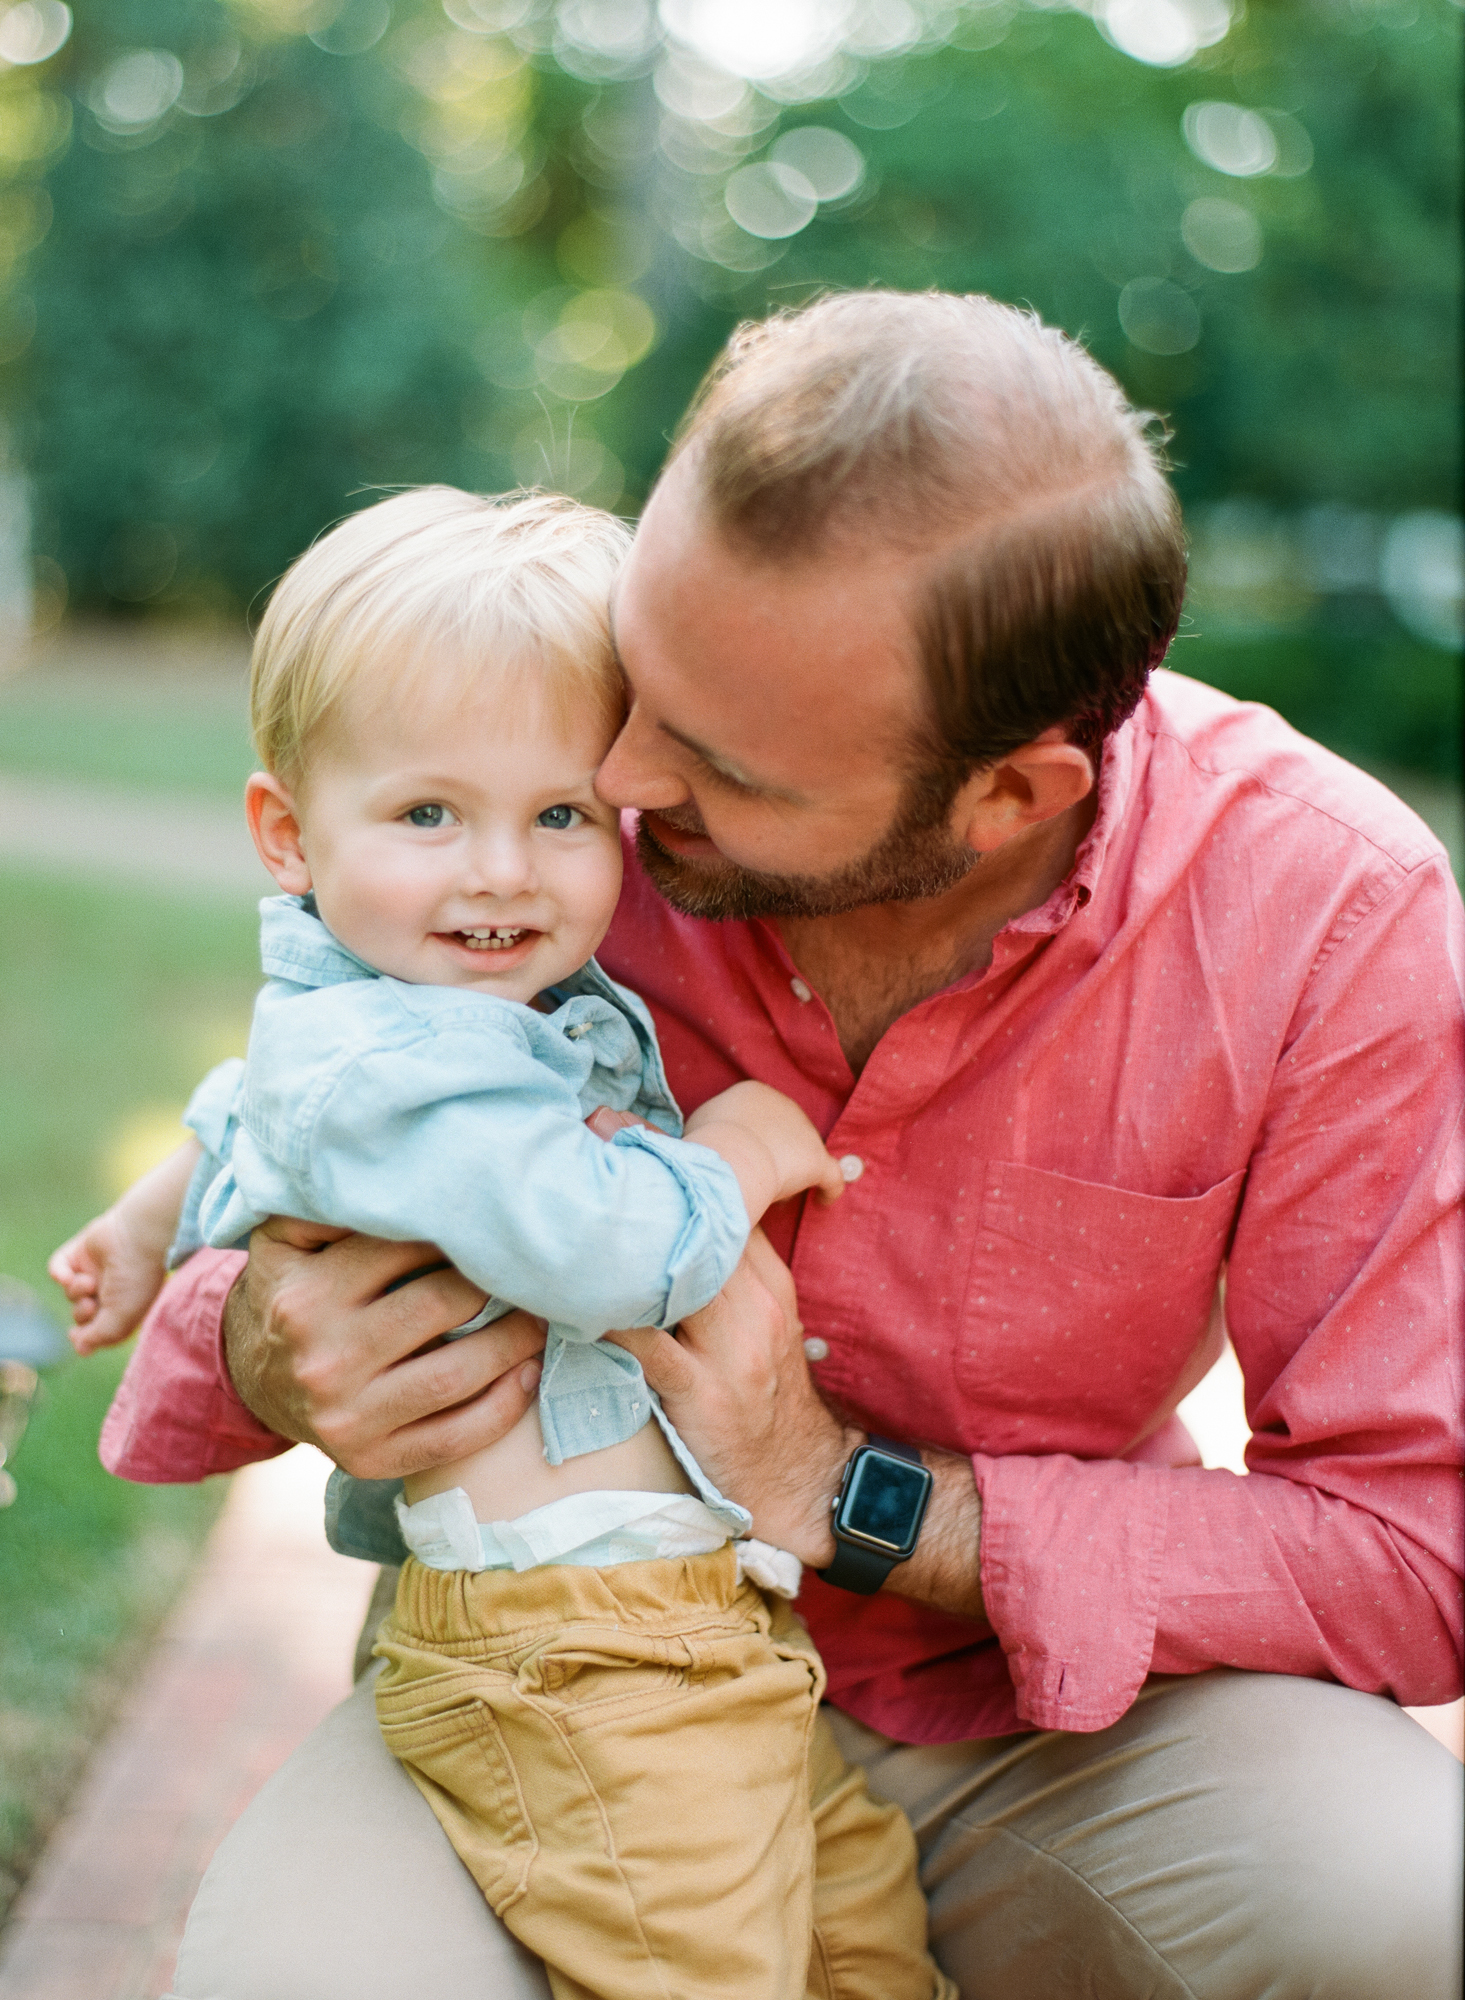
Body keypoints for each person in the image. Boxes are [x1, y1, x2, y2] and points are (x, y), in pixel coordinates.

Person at [103, 293, 1462, 2000]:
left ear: (1006, 800)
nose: (621, 773)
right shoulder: (539, 818)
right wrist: (253, 1339)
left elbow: (1416, 1548)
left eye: (717, 762)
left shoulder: (1322, 910)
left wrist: (846, 1493)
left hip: (1019, 1719)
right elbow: (304, 1102)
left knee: (1415, 1904)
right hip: (551, 1675)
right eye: (638, 678)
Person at [53, 486, 954, 2000]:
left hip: (679, 1617)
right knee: (711, 1969)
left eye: (557, 816)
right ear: (286, 831)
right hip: (564, 1646)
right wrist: (732, 1149)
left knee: (860, 1929)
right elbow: (611, 1254)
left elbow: (239, 1102)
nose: (502, 872)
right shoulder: (411, 1067)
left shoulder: (419, 1016)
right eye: (428, 813)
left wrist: (147, 1225)